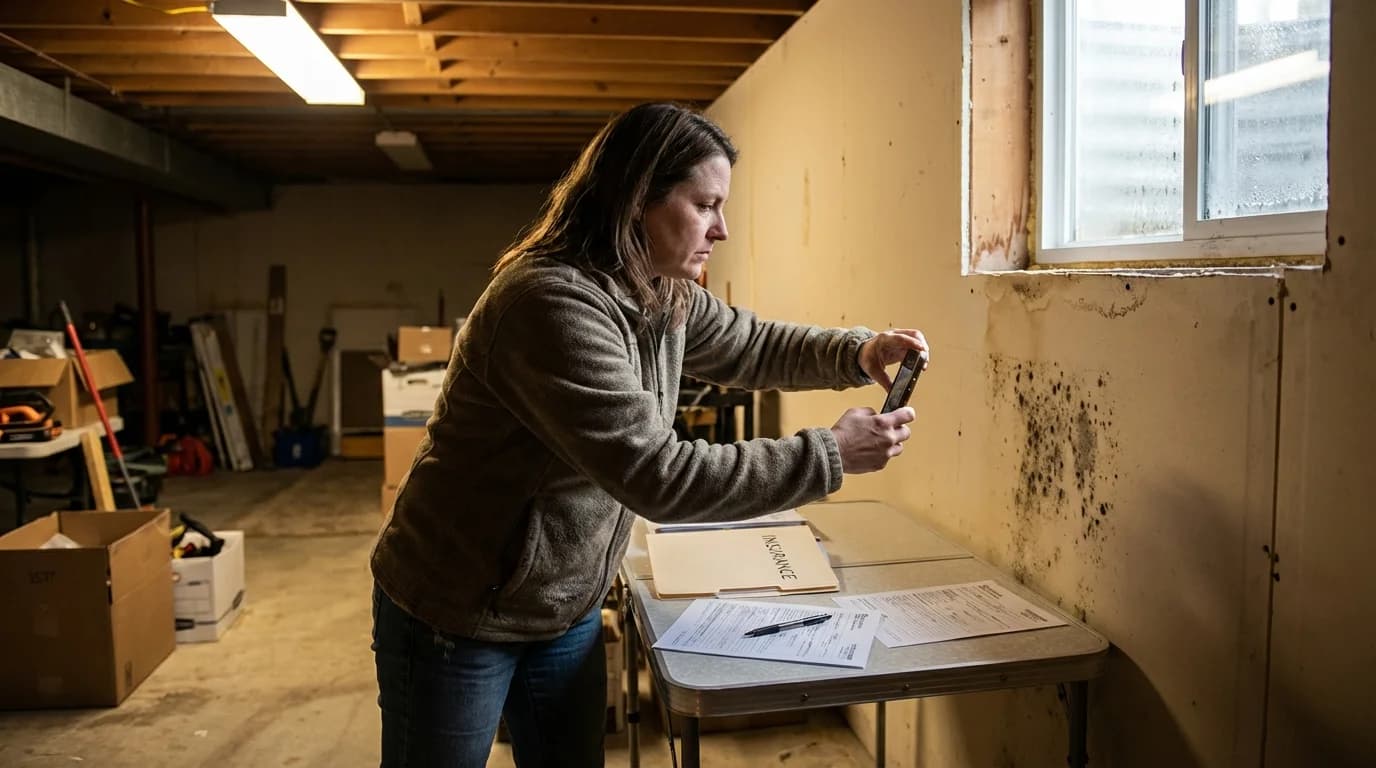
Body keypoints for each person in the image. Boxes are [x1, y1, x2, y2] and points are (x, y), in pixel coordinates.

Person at [370, 102, 929, 768]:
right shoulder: (550, 304)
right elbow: (659, 476)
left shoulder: (660, 290)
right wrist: (830, 454)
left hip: (562, 607)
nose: (723, 229)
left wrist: (856, 352)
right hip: (457, 614)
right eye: (705, 205)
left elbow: (750, 344)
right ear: (638, 201)